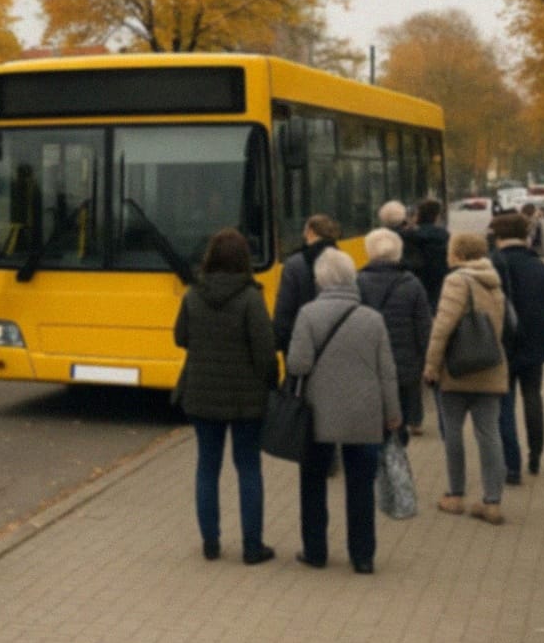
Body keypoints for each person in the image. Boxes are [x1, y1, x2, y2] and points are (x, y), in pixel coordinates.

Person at [284, 249, 401, 574]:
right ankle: (362, 557)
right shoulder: (373, 318)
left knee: (313, 482)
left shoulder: (308, 314)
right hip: (364, 413)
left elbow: (298, 363)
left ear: (321, 280)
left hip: (317, 414)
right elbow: (387, 372)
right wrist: (393, 413)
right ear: (351, 279)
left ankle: (315, 551)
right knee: (361, 486)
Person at [172, 228, 280, 565]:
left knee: (207, 467)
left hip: (202, 394)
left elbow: (180, 337)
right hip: (246, 398)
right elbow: (265, 350)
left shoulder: (193, 295)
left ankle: (211, 543)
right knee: (248, 467)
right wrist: (271, 383)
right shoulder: (251, 297)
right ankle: (252, 546)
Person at [423, 232, 509, 525]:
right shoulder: (493, 278)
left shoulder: (457, 280)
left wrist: (431, 366)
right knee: (489, 435)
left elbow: (442, 327)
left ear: (458, 254)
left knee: (453, 432)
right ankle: (492, 501)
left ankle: (455, 495)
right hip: (490, 367)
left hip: (458, 370)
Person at [488, 212, 544, 483]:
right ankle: (536, 455)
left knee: (503, 403)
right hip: (534, 343)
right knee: (533, 396)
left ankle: (511, 463)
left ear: (498, 236)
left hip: (501, 346)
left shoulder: (492, 264)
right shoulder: (539, 267)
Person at [357, 227, 432, 445]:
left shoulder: (358, 281)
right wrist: (427, 360)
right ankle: (401, 443)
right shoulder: (412, 283)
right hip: (405, 360)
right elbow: (423, 324)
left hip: (369, 361)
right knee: (401, 410)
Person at [272, 214, 340, 357]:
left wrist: (281, 341)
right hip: (335, 342)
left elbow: (285, 309)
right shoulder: (343, 261)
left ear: (310, 231)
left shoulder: (294, 264)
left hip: (301, 342)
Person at [401, 198, 451, 312]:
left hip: (416, 288)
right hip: (438, 289)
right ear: (437, 216)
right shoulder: (444, 236)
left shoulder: (408, 237)